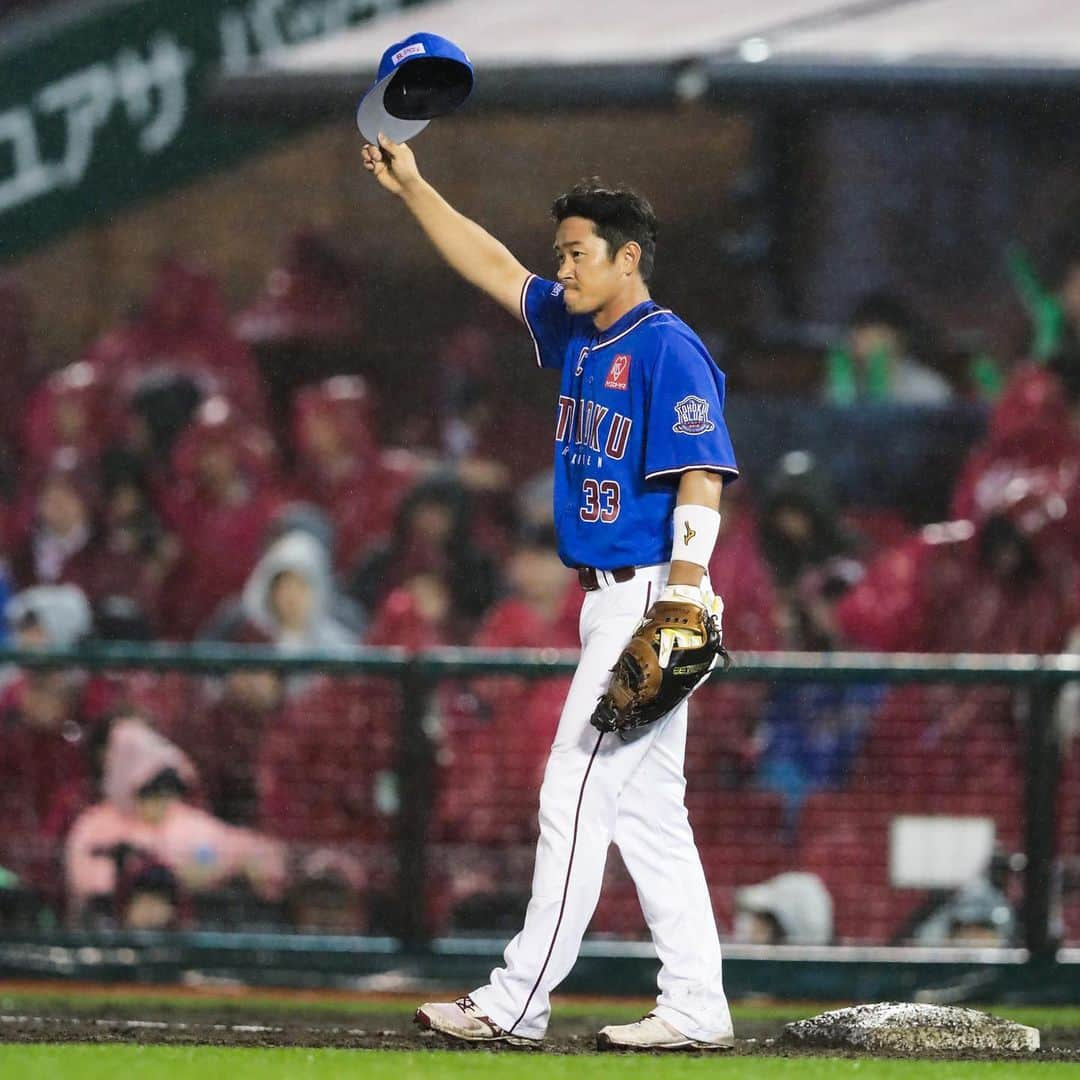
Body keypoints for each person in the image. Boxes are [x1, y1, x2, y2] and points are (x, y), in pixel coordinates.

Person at [362, 134, 738, 1050]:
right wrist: (415, 189)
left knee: (572, 785)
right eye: (562, 253)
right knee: (649, 813)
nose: (560, 268)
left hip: (653, 594)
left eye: (576, 253)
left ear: (627, 258)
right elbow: (492, 264)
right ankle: (696, 1003)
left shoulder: (667, 348)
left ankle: (515, 999)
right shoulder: (578, 328)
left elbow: (702, 474)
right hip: (609, 598)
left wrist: (686, 594)